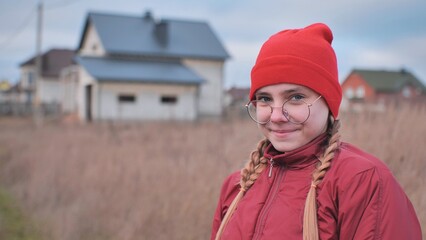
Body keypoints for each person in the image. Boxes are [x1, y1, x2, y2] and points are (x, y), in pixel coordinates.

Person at [210, 23, 422, 240]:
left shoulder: (363, 182)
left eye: (296, 98)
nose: (276, 116)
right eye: (265, 99)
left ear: (328, 102)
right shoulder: (237, 187)